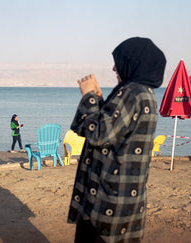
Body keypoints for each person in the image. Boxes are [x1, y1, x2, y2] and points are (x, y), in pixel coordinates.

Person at [67, 37, 166, 243]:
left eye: (119, 62)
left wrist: (87, 96)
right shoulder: (144, 93)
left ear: (134, 63)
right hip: (123, 198)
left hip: (105, 202)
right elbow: (113, 131)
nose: (114, 68)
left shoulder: (132, 93)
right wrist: (100, 99)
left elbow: (98, 134)